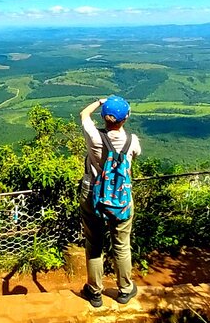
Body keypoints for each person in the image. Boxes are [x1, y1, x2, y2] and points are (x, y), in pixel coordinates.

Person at [79, 96, 142, 307]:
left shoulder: (94, 136)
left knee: (94, 244)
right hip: (121, 198)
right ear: (126, 118)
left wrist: (99, 101)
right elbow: (134, 159)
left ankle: (95, 292)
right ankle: (125, 290)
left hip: (92, 194)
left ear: (104, 117)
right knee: (122, 245)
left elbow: (83, 114)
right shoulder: (132, 141)